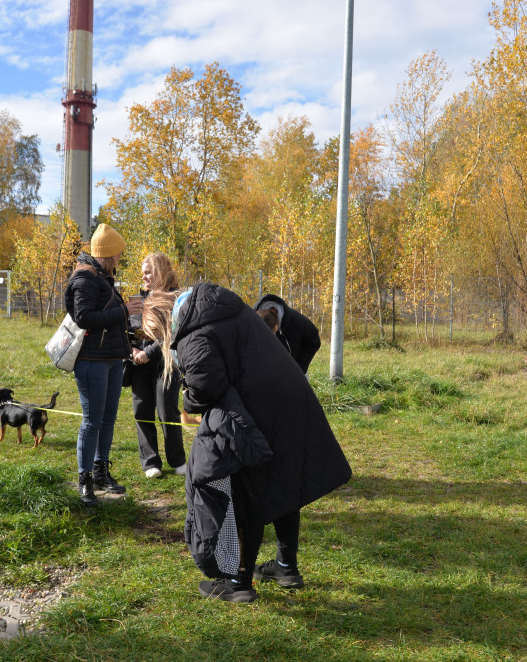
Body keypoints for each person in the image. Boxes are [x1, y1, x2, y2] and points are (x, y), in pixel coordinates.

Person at [140, 284, 352, 603]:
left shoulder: (192, 329)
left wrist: (189, 402)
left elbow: (205, 384)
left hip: (256, 410)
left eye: (159, 336)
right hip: (287, 397)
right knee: (282, 479)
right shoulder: (218, 306)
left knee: (243, 492)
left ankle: (238, 582)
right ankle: (285, 566)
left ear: (165, 322)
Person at [64, 223, 143, 504]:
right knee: (91, 422)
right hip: (91, 360)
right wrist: (124, 311)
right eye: (119, 254)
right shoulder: (85, 279)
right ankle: (84, 479)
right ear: (109, 254)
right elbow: (83, 318)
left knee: (107, 420)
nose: (120, 259)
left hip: (110, 358)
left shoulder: (102, 277)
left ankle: (100, 472)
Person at [129, 253, 186, 479]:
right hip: (138, 365)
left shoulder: (176, 299)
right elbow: (127, 330)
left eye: (148, 271)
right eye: (142, 271)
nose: (143, 276)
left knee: (167, 410)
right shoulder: (136, 299)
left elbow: (173, 333)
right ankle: (150, 462)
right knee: (142, 411)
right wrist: (131, 350)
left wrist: (148, 353)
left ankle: (177, 460)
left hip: (166, 364)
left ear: (160, 271)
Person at [253, 294, 321, 374]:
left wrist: (299, 367)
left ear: (276, 327)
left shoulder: (298, 321)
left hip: (294, 370)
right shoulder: (251, 320)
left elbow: (314, 341)